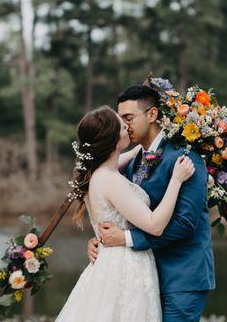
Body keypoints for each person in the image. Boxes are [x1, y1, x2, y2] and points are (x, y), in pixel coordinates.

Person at [55, 105, 195, 322]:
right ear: (113, 140)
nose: (128, 127)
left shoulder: (96, 173)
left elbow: (130, 155)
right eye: (122, 126)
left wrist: (148, 146)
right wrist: (176, 180)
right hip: (125, 269)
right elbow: (155, 225)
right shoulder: (111, 181)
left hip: (108, 263)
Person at [88, 85, 216, 322]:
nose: (125, 126)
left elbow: (185, 223)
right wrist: (101, 239)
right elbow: (124, 211)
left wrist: (125, 239)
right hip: (144, 278)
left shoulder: (184, 157)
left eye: (129, 118)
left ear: (152, 114)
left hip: (182, 276)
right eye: (121, 120)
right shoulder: (135, 159)